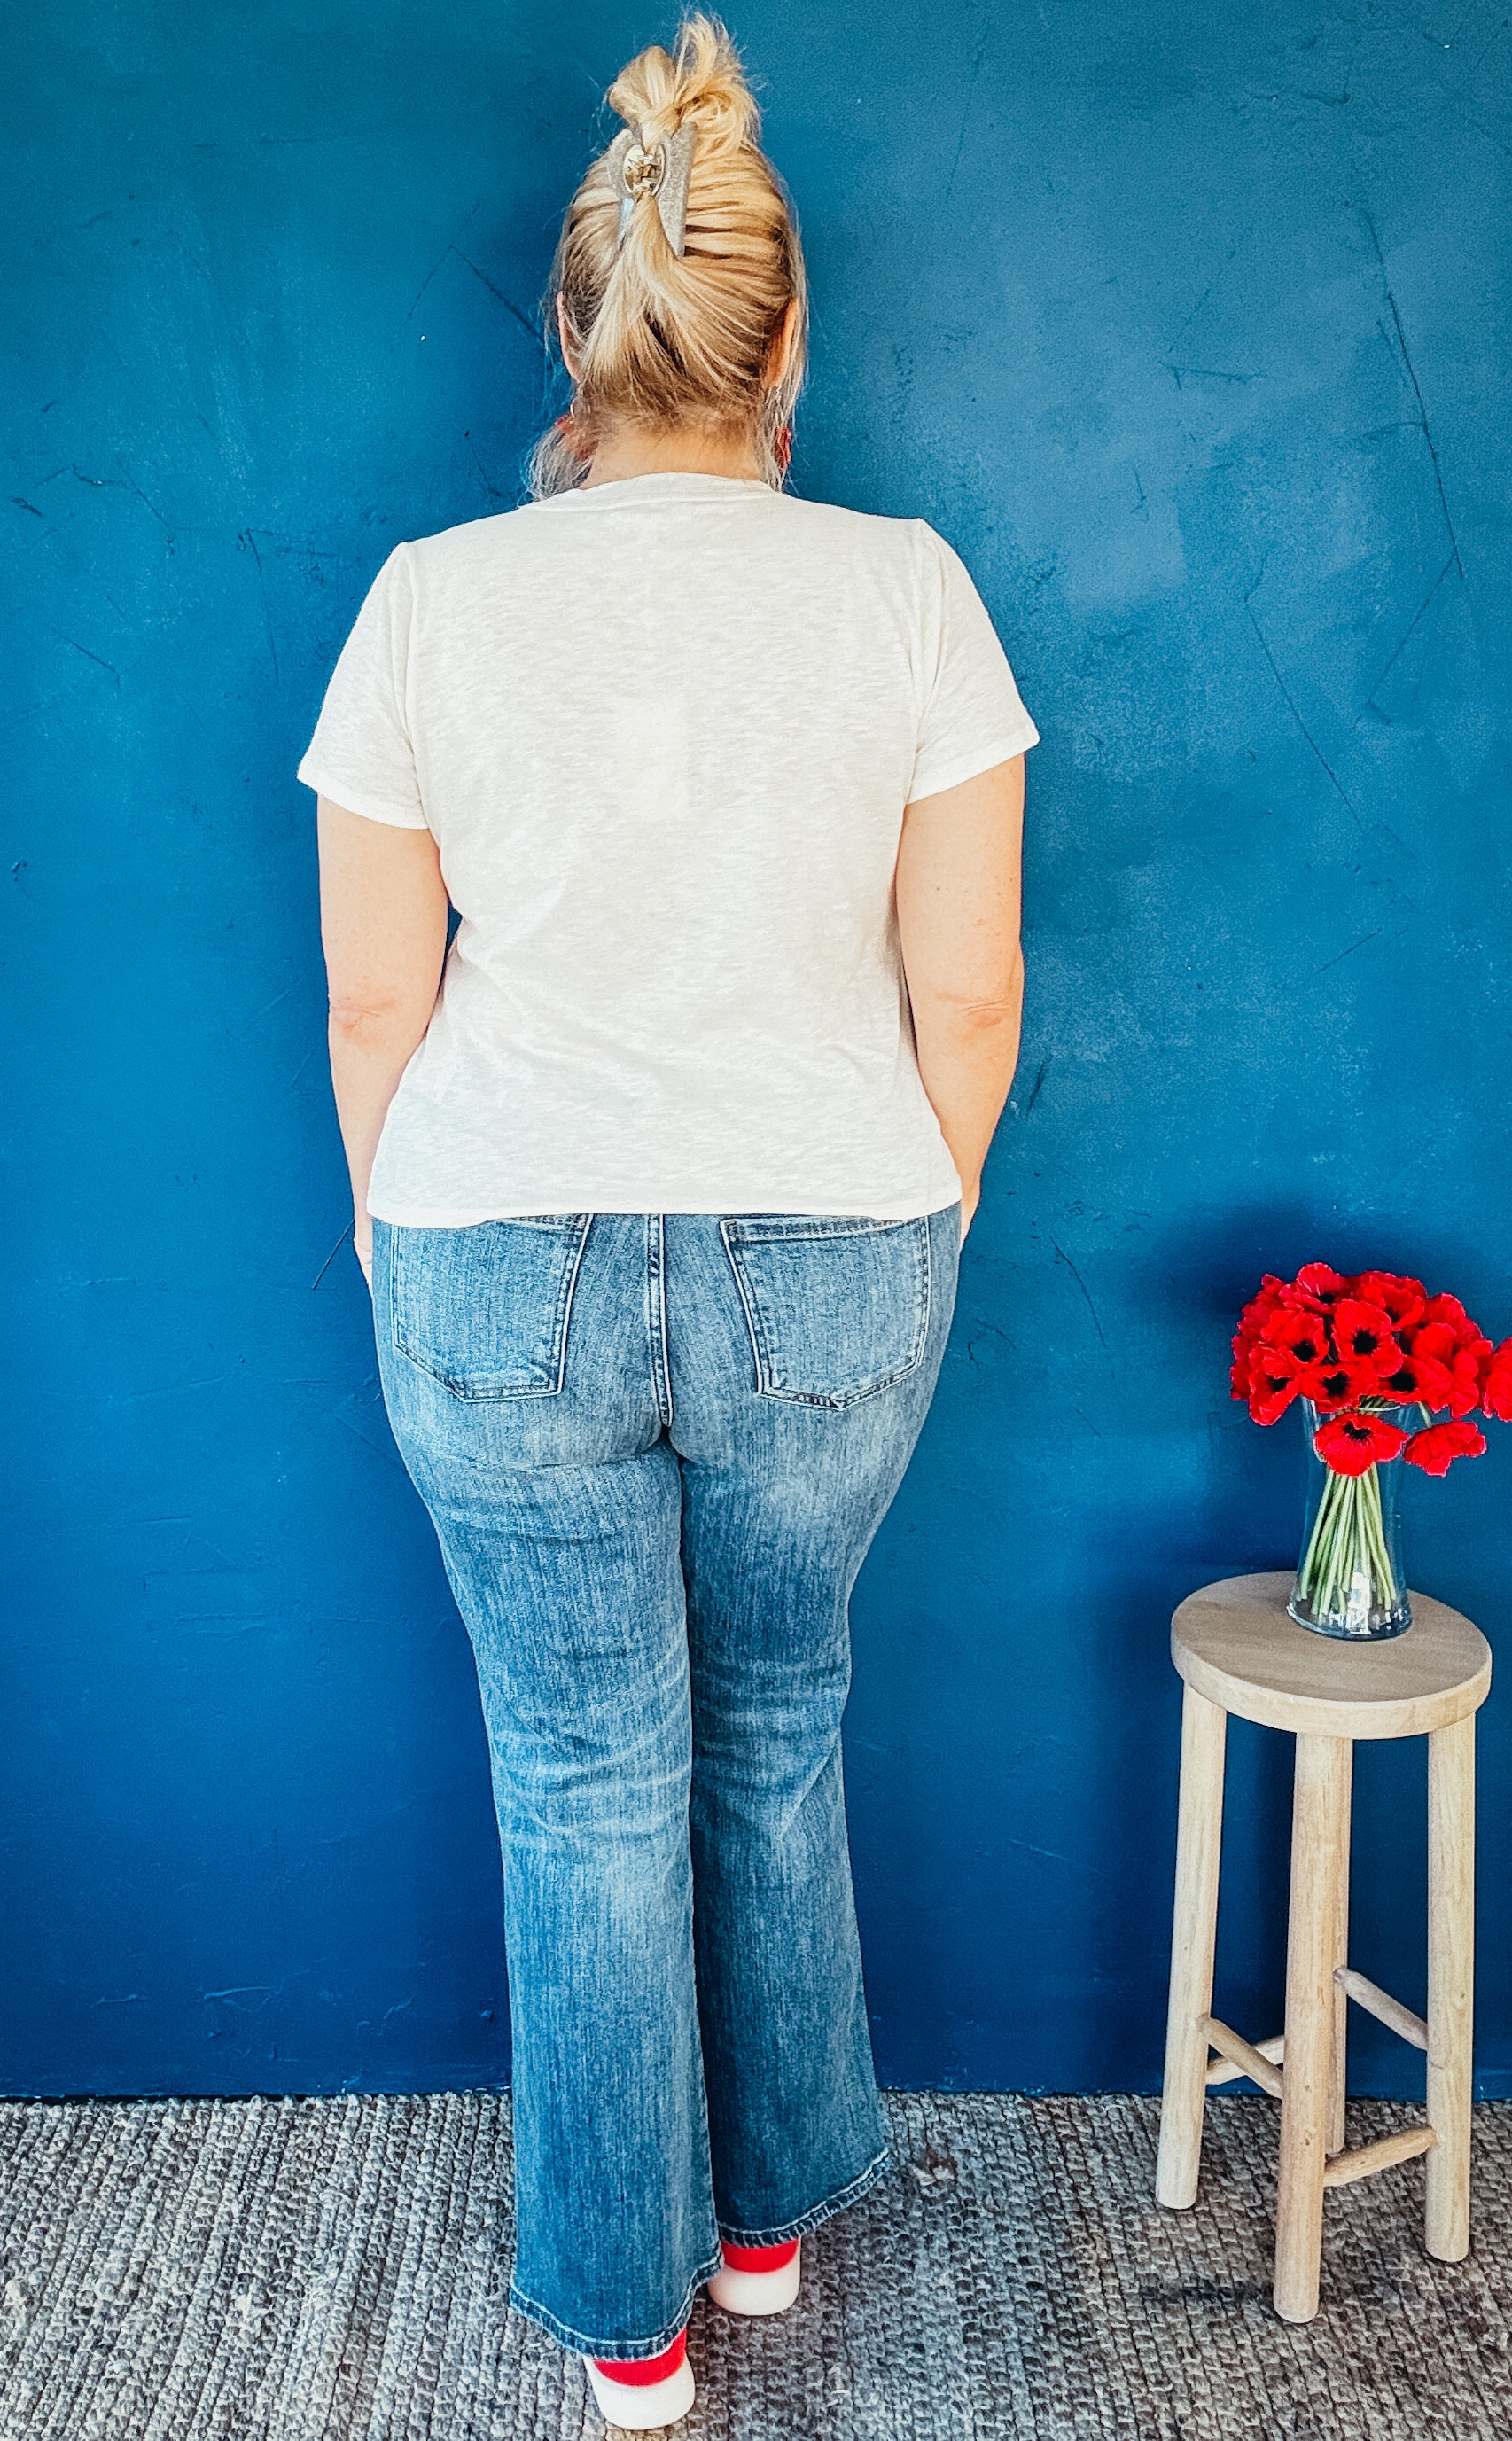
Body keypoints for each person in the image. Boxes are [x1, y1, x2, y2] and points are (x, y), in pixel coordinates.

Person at [300, 17, 1037, 2429]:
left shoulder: (430, 599)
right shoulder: (906, 591)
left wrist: (390, 1230)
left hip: (492, 1248)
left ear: (575, 330)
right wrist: (922, 1220)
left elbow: (375, 998)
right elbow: (966, 991)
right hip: (834, 1243)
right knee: (779, 1725)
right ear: (782, 334)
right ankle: (761, 2227)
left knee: (578, 1775)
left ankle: (627, 2336)